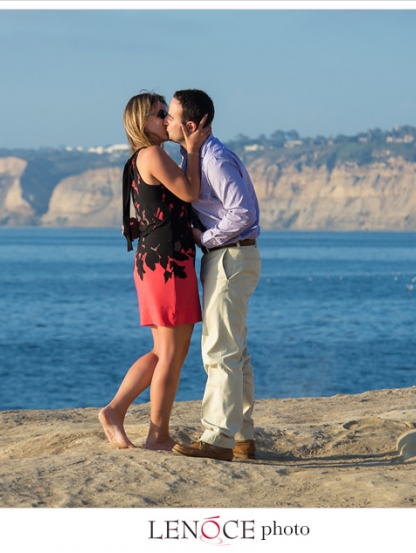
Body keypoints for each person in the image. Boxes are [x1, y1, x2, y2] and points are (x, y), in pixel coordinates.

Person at [98, 92, 210, 451]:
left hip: (154, 263)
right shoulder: (152, 154)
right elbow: (190, 192)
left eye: (165, 112)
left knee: (163, 351)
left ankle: (115, 411)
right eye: (159, 113)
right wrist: (192, 149)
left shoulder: (135, 160)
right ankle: (157, 434)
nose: (166, 119)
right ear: (140, 121)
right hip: (168, 265)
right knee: (172, 354)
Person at [165, 89, 261, 462]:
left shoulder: (214, 160)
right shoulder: (210, 155)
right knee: (236, 350)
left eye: (171, 117)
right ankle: (242, 436)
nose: (168, 122)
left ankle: (217, 438)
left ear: (190, 125)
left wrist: (205, 237)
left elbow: (242, 213)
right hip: (237, 257)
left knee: (219, 350)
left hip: (228, 258)